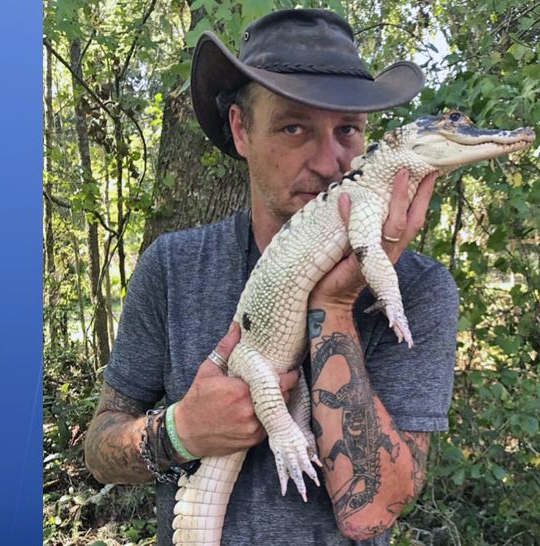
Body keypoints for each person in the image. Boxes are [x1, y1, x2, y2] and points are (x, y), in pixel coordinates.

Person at [84, 8, 458, 545]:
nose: (332, 162)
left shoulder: (419, 289)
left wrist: (335, 303)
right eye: (294, 127)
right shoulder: (173, 265)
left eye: (348, 129)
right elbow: (101, 447)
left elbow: (371, 512)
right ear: (242, 130)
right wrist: (180, 430)